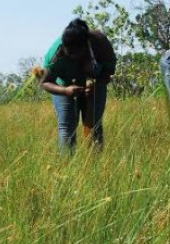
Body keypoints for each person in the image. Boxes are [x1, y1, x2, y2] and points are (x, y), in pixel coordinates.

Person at [40, 19, 116, 151]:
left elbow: (108, 72)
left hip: (95, 84)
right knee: (67, 127)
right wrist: (66, 91)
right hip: (64, 87)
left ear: (86, 46)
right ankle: (66, 166)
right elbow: (45, 82)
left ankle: (96, 166)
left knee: (94, 126)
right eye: (69, 54)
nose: (74, 58)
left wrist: (93, 86)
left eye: (78, 55)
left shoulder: (100, 43)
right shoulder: (55, 54)